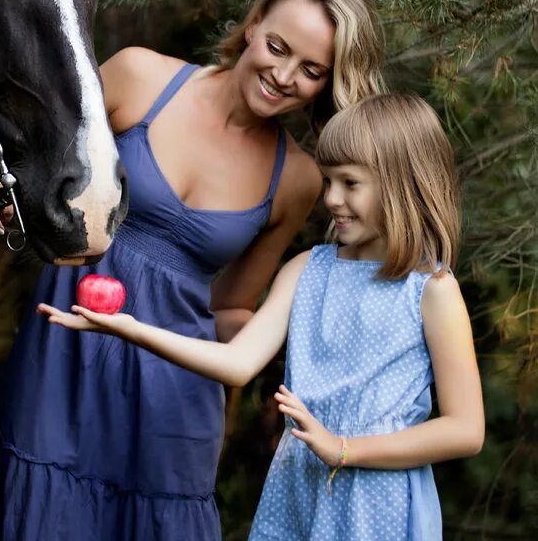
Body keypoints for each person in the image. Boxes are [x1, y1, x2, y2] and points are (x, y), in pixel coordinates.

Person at [0, 0, 385, 540]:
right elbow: (22, 165)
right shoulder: (138, 75)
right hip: (66, 350)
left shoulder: (299, 179)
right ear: (254, 24)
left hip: (175, 395)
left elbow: (231, 309)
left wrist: (307, 357)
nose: (284, 76)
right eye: (277, 47)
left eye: (312, 70)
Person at [42, 93, 485, 540]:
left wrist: (344, 449)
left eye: (350, 183)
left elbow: (466, 430)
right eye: (328, 181)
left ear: (401, 184)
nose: (331, 198)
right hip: (299, 486)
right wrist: (131, 329)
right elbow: (237, 363)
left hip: (378, 500)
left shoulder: (431, 290)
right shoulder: (307, 269)